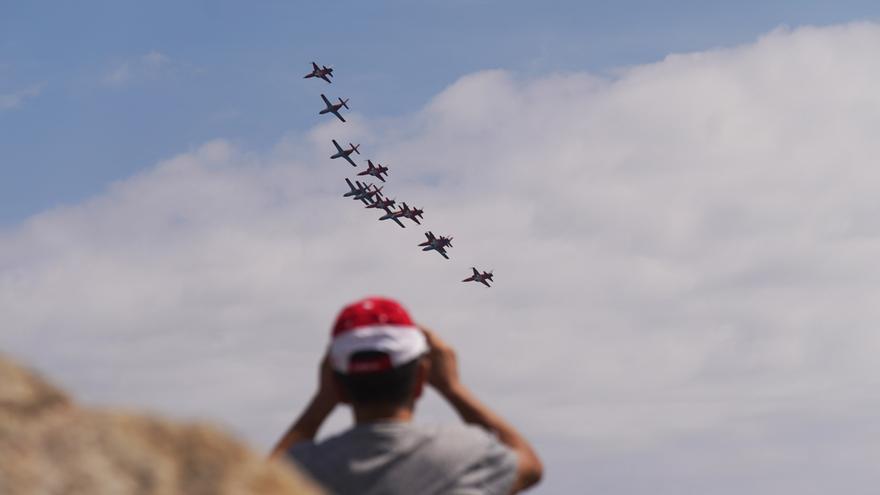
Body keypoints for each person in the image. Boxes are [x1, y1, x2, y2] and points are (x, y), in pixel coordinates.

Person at [271, 296, 543, 494]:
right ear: (422, 378)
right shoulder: (465, 458)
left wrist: (322, 400)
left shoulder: (306, 469)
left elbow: (256, 483)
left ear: (335, 384)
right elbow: (529, 466)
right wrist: (453, 387)